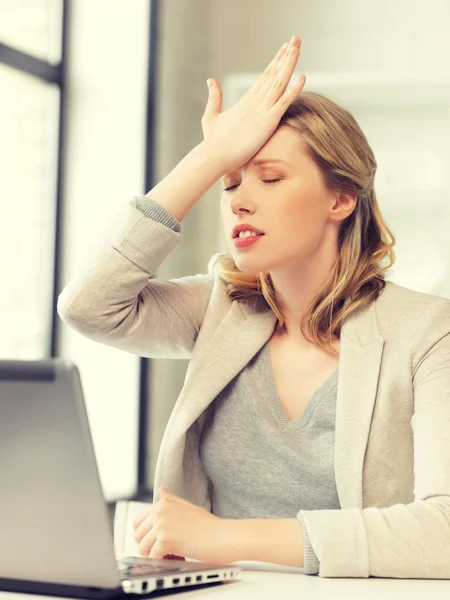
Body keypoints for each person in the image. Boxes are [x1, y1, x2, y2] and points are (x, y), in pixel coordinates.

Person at [57, 35, 450, 579]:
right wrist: (208, 157)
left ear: (341, 198)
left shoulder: (429, 331)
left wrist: (224, 537)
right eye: (230, 183)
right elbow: (88, 307)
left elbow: (444, 531)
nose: (240, 198)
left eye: (270, 177)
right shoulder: (219, 309)